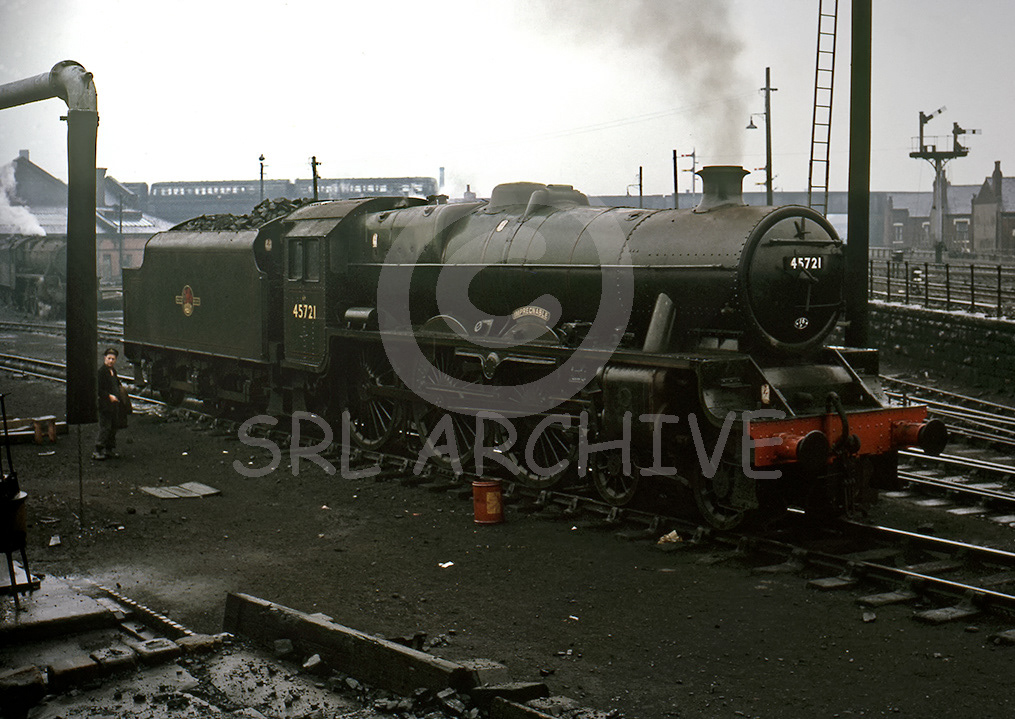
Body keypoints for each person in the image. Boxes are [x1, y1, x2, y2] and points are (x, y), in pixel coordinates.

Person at [93, 347, 123, 460]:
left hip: (114, 405)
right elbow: (98, 389)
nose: (111, 361)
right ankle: (98, 450)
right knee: (105, 427)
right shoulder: (101, 372)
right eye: (109, 358)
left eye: (113, 359)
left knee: (114, 427)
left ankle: (109, 449)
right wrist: (109, 396)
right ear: (105, 358)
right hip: (105, 405)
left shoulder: (113, 371)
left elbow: (116, 384)